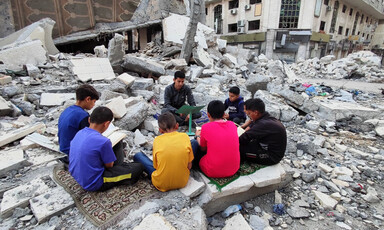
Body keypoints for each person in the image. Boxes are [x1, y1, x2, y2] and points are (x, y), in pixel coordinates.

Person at [69, 106, 143, 191]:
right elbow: (109, 166)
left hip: (77, 176)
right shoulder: (103, 141)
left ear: (89, 120)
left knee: (116, 146)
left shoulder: (79, 133)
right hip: (94, 182)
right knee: (138, 167)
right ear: (107, 124)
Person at [133, 112, 194, 192]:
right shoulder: (185, 137)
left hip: (161, 183)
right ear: (177, 126)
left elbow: (156, 166)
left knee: (138, 156)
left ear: (160, 130)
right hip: (183, 182)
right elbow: (189, 166)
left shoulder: (157, 140)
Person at [192, 100, 240, 178]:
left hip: (213, 171)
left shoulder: (206, 127)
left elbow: (203, 149)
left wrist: (197, 136)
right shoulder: (232, 125)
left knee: (195, 146)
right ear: (224, 114)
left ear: (208, 114)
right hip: (234, 168)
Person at [58, 84, 99, 163]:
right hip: (72, 154)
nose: (94, 105)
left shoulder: (67, 110)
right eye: (94, 101)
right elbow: (88, 139)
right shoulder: (83, 116)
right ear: (88, 99)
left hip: (62, 150)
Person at [239, 98, 287, 165]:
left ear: (256, 112)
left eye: (249, 114)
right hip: (264, 145)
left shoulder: (262, 124)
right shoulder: (266, 117)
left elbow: (243, 138)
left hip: (272, 156)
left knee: (238, 150)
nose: (249, 117)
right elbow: (253, 125)